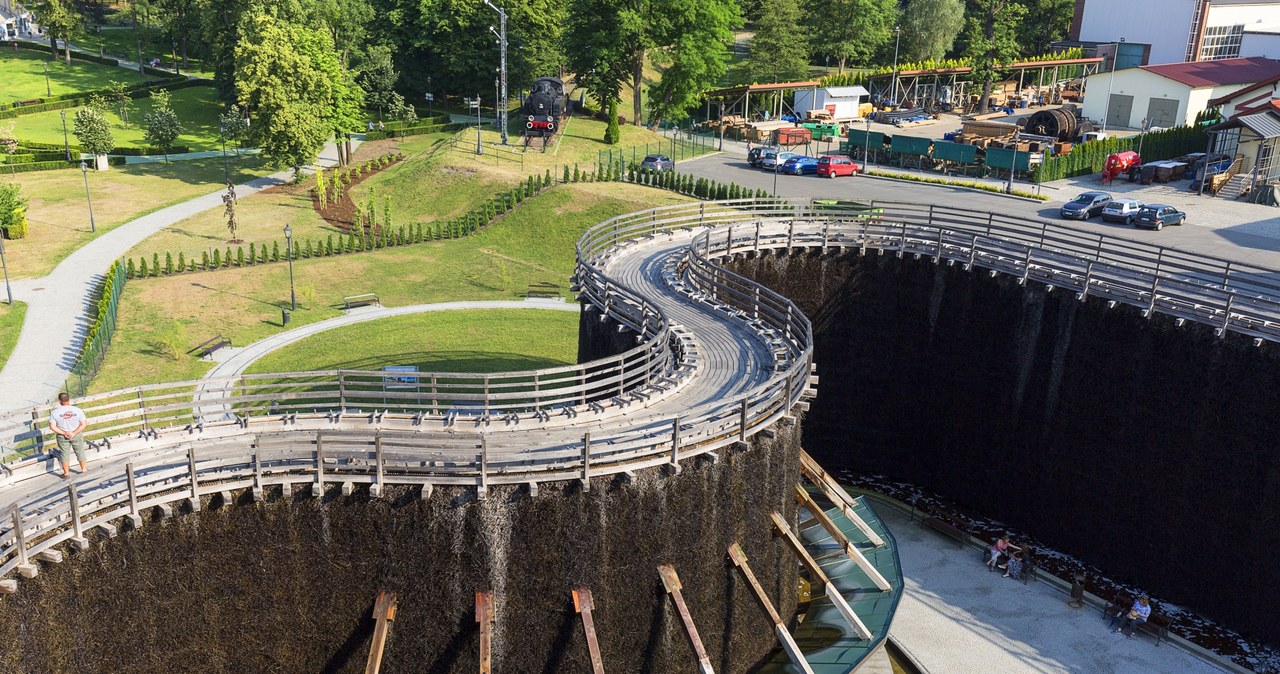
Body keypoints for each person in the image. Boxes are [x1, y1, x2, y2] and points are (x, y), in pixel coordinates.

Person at [48, 393, 88, 478]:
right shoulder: (77, 410)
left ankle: (66, 473)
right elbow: (83, 424)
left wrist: (64, 433)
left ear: (59, 401)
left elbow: (52, 426)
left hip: (62, 436)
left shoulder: (55, 412)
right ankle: (84, 469)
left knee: (64, 454)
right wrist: (73, 432)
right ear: (68, 399)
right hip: (76, 434)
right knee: (80, 451)